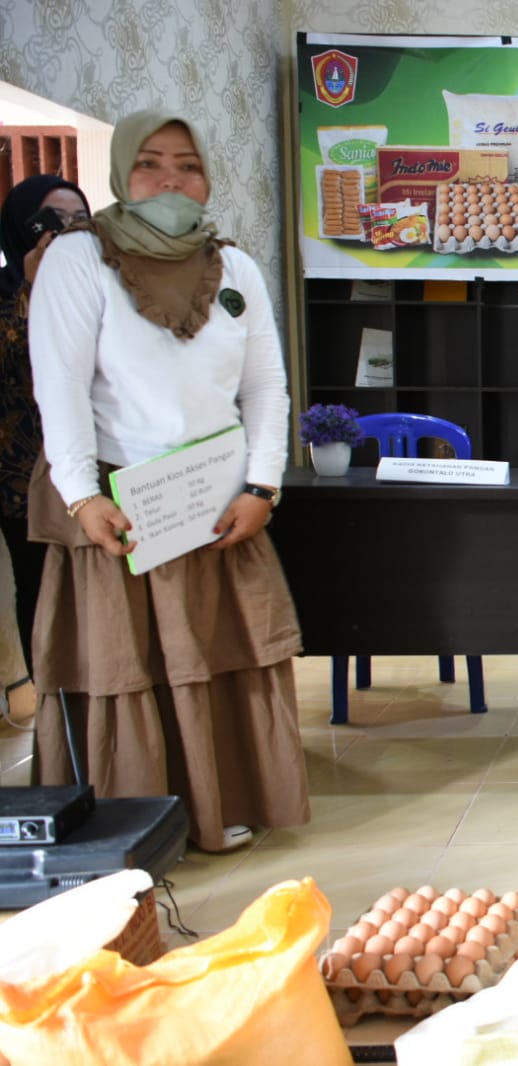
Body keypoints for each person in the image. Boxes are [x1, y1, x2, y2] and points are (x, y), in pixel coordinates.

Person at [27, 109, 308, 852]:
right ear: (121, 173)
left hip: (215, 502)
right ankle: (134, 827)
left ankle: (221, 809)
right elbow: (59, 386)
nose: (170, 179)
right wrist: (82, 495)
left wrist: (262, 485)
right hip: (122, 502)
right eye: (150, 163)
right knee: (128, 664)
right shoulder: (79, 259)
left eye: (188, 165)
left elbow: (265, 386)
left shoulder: (234, 268)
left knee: (219, 654)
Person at [0, 175, 90, 685]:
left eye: (79, 218)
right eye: (53, 219)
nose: (68, 230)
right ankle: (52, 702)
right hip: (22, 477)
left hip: (93, 465)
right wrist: (34, 288)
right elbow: (16, 365)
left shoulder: (99, 285)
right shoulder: (6, 290)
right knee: (40, 588)